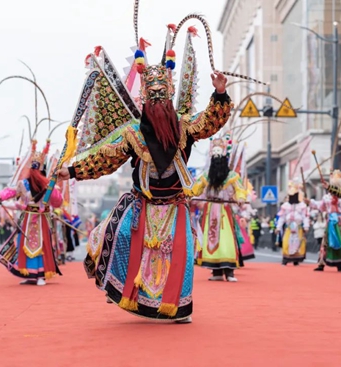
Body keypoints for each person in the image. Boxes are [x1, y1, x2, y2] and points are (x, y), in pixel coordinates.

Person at [58, 26, 231, 323]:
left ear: (169, 101)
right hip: (144, 205)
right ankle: (125, 292)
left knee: (179, 255)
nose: (158, 107)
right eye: (152, 102)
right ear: (144, 105)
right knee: (121, 236)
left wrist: (220, 93)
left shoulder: (185, 127)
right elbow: (104, 159)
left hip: (174, 207)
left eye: (163, 102)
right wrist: (71, 170)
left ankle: (176, 307)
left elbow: (210, 122)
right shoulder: (133, 135)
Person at [0, 140, 63, 286]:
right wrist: (0, 196)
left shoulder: (48, 185)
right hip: (31, 219)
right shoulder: (29, 184)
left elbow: (57, 202)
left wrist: (1, 196)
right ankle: (30, 273)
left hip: (38, 219)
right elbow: (13, 194)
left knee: (41, 244)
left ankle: (40, 275)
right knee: (26, 243)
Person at [194, 137, 247, 282]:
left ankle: (229, 272)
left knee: (227, 240)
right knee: (211, 238)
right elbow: (196, 189)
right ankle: (216, 271)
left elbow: (240, 189)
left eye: (219, 153)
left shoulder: (232, 176)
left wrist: (240, 198)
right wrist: (189, 194)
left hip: (225, 211)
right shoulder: (206, 176)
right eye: (214, 153)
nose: (217, 156)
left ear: (224, 156)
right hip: (210, 210)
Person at [313, 170, 341, 272]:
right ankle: (322, 262)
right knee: (325, 242)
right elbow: (321, 207)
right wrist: (311, 203)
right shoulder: (326, 197)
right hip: (331, 220)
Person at [275, 180, 309, 265]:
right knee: (287, 241)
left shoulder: (302, 206)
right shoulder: (285, 206)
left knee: (298, 242)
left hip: (298, 227)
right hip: (289, 226)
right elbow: (282, 217)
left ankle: (296, 259)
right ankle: (285, 258)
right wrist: (278, 227)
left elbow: (305, 217)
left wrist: (306, 226)